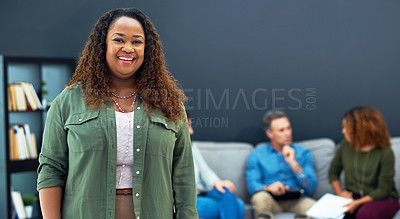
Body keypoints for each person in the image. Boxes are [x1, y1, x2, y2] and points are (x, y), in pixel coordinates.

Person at [36, 8, 198, 219]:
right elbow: (51, 169)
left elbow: (184, 176)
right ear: (103, 45)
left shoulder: (170, 104)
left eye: (137, 42)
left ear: (148, 50)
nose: (128, 48)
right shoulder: (68, 101)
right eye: (119, 40)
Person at [329, 106, 399, 219]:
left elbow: (384, 189)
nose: (343, 131)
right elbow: (333, 172)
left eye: (347, 128)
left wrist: (357, 203)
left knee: (365, 215)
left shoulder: (385, 152)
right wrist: (340, 193)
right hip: (354, 196)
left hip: (382, 198)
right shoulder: (345, 145)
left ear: (361, 131)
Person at [246, 109, 317, 219]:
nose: (287, 133)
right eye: (281, 130)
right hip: (271, 200)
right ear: (270, 133)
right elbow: (252, 185)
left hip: (297, 201)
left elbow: (311, 188)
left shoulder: (303, 153)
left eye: (288, 128)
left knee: (314, 207)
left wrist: (294, 164)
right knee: (259, 198)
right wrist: (268, 187)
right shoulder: (257, 154)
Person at [187, 113, 245, 219]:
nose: (192, 131)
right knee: (239, 206)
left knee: (226, 190)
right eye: (188, 126)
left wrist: (216, 182)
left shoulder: (191, 145)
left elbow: (204, 170)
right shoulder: (167, 150)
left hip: (202, 192)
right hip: (187, 201)